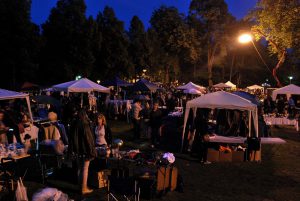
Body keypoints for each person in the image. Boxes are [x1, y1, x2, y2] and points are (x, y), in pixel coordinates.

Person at [69, 109, 96, 194]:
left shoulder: (74, 124)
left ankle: (80, 187)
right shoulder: (84, 124)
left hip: (77, 150)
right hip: (84, 150)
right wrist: (91, 150)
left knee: (80, 168)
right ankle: (83, 188)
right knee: (85, 169)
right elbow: (88, 139)